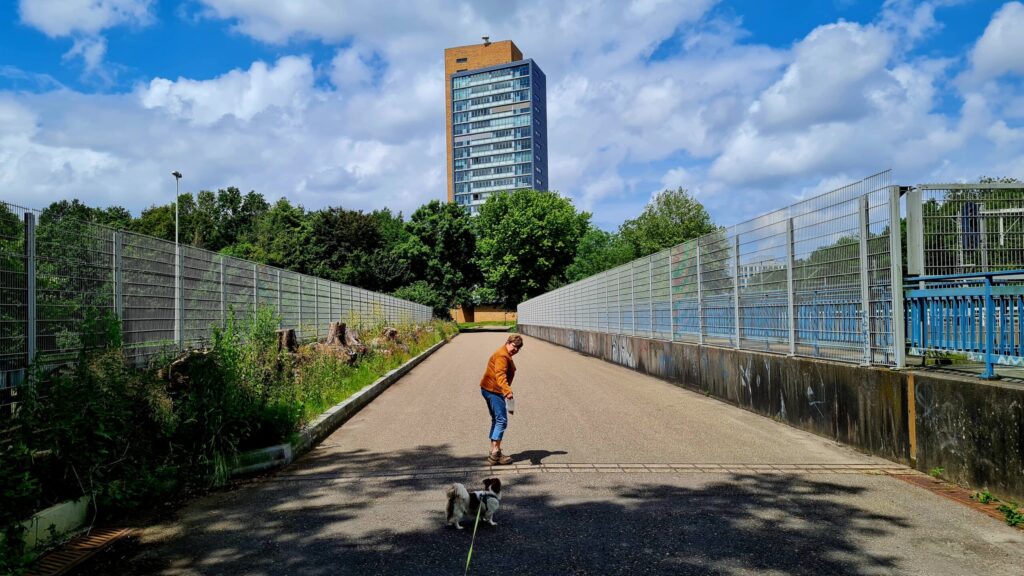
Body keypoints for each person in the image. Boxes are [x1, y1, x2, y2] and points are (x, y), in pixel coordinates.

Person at [479, 334, 523, 465]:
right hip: (494, 391)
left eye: (518, 348)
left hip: (488, 389)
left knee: (496, 419)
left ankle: (494, 450)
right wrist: (507, 391)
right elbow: (500, 375)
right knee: (501, 421)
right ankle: (495, 453)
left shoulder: (504, 353)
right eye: (514, 346)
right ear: (508, 342)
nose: (516, 350)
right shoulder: (502, 356)